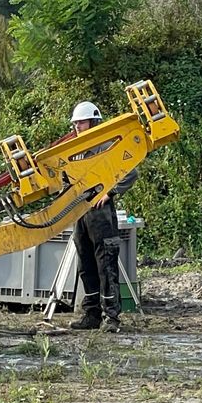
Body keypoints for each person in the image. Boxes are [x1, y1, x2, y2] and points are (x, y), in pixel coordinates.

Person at [68, 101, 138, 333]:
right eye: (76, 123)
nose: (78, 126)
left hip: (101, 215)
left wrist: (110, 192)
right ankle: (91, 314)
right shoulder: (74, 151)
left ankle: (111, 317)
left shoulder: (106, 147)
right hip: (81, 212)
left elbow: (131, 169)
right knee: (85, 264)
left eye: (82, 122)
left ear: (94, 122)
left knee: (105, 265)